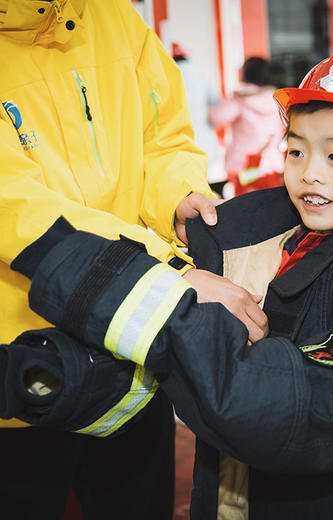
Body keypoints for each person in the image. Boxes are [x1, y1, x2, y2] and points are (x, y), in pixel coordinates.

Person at [5, 40, 333, 519]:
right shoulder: (267, 233)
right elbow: (178, 366)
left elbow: (293, 406)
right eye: (295, 151)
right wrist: (43, 374)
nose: (309, 173)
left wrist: (151, 296)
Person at [0, 1, 267, 519]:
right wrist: (171, 274)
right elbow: (16, 207)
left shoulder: (112, 16)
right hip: (19, 361)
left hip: (130, 348)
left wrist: (178, 200)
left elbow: (162, 141)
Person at [208, 56, 284, 196]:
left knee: (244, 207)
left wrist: (203, 103)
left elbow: (218, 118)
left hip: (244, 165)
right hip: (270, 163)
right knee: (273, 205)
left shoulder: (241, 98)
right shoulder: (274, 98)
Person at [172, 42, 225, 193]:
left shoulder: (168, 74)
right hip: (204, 136)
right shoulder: (198, 73)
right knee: (204, 179)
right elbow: (216, 99)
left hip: (180, 137)